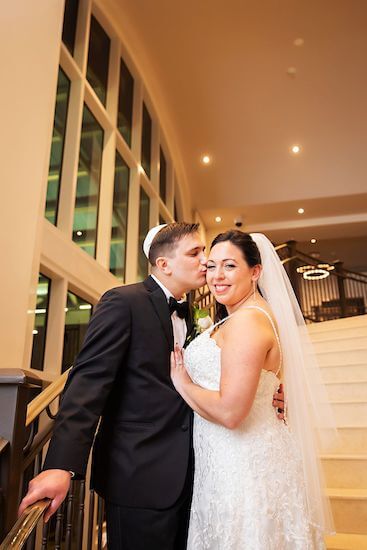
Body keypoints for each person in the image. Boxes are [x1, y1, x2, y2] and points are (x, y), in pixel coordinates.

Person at [19, 223, 285, 550]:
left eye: (210, 255)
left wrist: (272, 390)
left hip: (200, 474)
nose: (206, 262)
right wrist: (60, 465)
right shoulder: (124, 302)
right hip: (139, 475)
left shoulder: (203, 317)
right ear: (164, 264)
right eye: (196, 253)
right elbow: (87, 384)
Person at [171, 230, 336, 550]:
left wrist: (183, 384)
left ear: (256, 271)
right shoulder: (240, 317)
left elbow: (231, 412)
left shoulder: (247, 322)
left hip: (244, 468)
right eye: (213, 265)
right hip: (229, 460)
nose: (217, 276)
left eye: (230, 266)